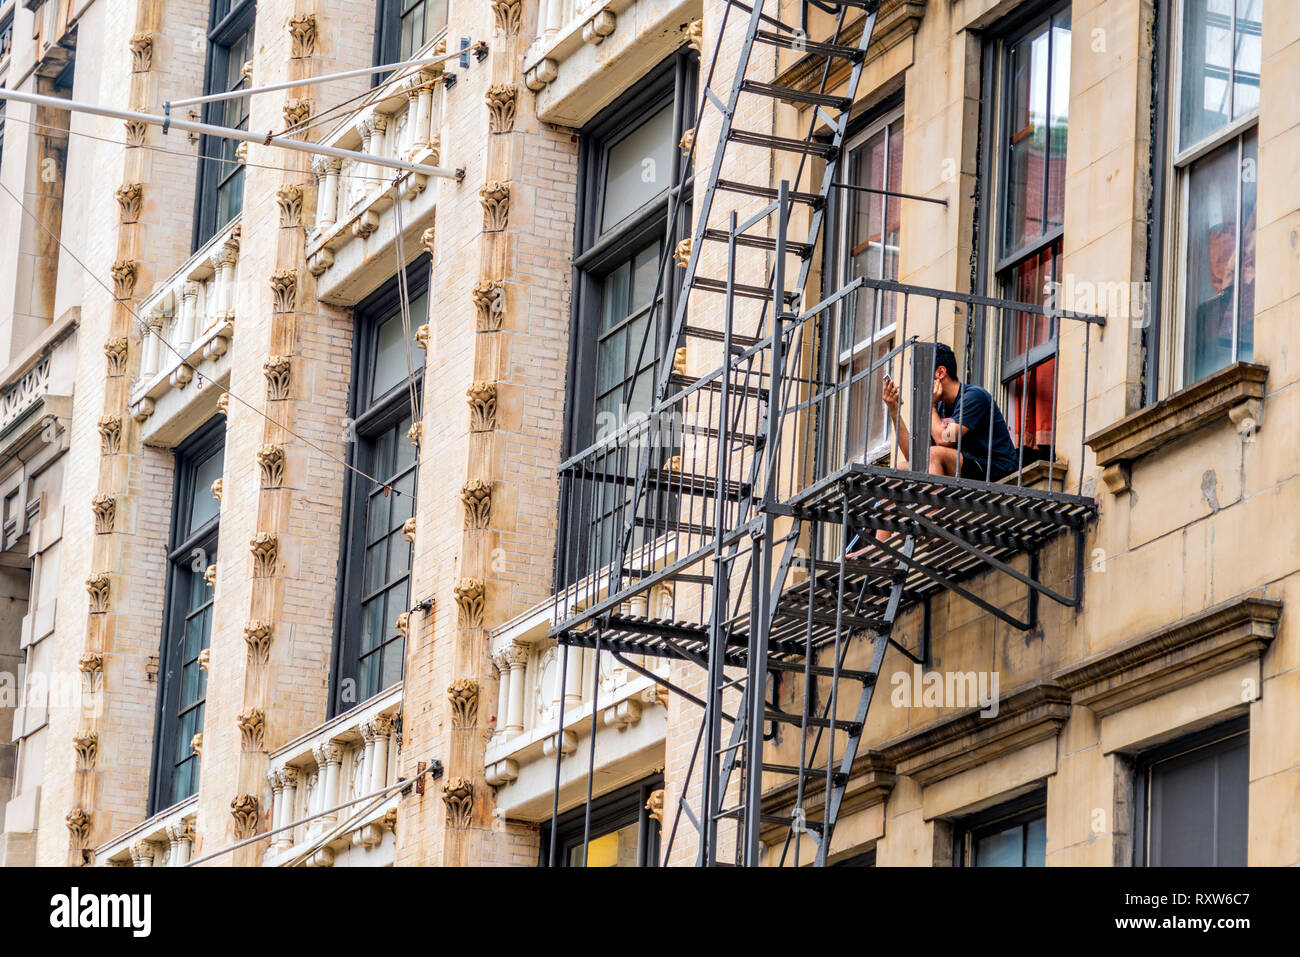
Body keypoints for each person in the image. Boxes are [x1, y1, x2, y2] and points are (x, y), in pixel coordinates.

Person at [881, 342, 1020, 482]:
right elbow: (915, 458)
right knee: (897, 472)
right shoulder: (938, 407)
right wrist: (894, 410)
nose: (917, 384)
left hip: (998, 470)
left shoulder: (973, 397)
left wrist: (930, 407)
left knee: (933, 454)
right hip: (967, 467)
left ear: (940, 373)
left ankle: (932, 504)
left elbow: (944, 440)